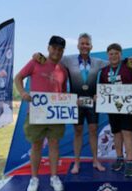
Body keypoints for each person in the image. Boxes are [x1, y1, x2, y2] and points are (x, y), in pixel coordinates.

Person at [33, 33, 108, 174]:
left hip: (92, 102)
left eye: (87, 44)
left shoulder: (98, 62)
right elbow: (52, 58)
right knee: (78, 132)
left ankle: (95, 160)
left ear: (91, 46)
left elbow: (114, 63)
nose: (84, 46)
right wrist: (37, 55)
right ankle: (77, 163)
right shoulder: (67, 60)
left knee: (93, 131)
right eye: (82, 43)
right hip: (76, 102)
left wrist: (127, 60)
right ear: (78, 45)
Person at [14, 35, 68, 191]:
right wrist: (23, 92)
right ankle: (34, 178)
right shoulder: (36, 62)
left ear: (63, 51)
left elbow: (63, 92)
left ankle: (54, 177)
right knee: (36, 145)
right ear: (48, 48)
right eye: (54, 48)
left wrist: (69, 103)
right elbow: (18, 78)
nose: (56, 52)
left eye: (60, 49)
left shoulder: (63, 70)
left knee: (54, 144)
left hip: (55, 114)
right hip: (36, 112)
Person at [98, 43, 132, 177]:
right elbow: (102, 90)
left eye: (116, 53)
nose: (113, 56)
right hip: (113, 108)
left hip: (128, 107)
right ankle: (119, 159)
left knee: (127, 133)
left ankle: (129, 162)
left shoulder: (128, 66)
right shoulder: (104, 71)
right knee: (116, 134)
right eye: (111, 54)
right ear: (108, 55)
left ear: (120, 55)